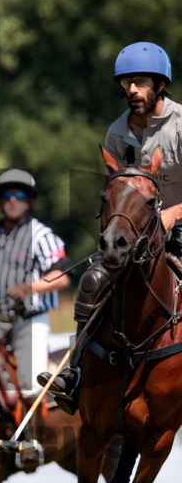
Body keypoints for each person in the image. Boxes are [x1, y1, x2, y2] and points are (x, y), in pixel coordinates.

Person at [41, 41, 182, 413]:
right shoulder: (118, 131)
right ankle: (74, 375)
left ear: (160, 85)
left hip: (180, 230)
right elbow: (116, 190)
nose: (131, 90)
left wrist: (172, 214)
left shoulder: (181, 125)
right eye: (126, 83)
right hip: (138, 237)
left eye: (139, 82)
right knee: (92, 282)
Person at [0, 169, 71, 402]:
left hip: (29, 318)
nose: (12, 200)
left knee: (30, 384)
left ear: (30, 200)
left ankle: (32, 434)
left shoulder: (41, 235)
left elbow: (62, 276)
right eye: (6, 195)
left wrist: (28, 288)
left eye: (20, 195)